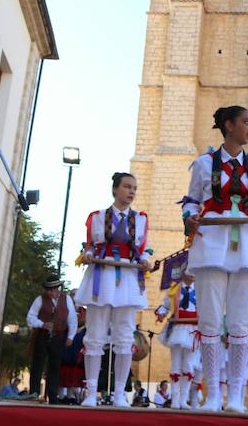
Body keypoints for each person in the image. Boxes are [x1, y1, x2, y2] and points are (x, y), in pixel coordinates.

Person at [180, 106, 248, 412]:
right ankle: (212, 394)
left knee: (240, 322)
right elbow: (192, 201)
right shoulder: (204, 163)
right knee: (209, 320)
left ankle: (235, 394)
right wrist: (190, 218)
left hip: (247, 245)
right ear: (229, 125)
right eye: (246, 123)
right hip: (212, 244)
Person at [74, 172, 153, 407]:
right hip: (102, 276)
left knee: (125, 335)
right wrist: (87, 256)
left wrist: (148, 259)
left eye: (134, 188)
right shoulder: (97, 217)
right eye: (127, 186)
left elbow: (145, 248)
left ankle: (120, 393)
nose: (131, 192)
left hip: (128, 278)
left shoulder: (140, 219)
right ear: (115, 189)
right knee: (95, 335)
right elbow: (89, 246)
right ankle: (91, 393)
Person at [26, 274, 77, 404]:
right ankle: (34, 393)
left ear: (57, 289)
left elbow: (72, 320)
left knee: (55, 366)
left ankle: (53, 396)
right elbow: (30, 317)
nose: (49, 292)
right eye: (48, 290)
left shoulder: (67, 300)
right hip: (42, 335)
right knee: (38, 364)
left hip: (59, 337)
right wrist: (42, 324)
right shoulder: (39, 299)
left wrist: (70, 336)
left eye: (52, 289)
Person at [155, 264, 200, 409]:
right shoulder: (173, 288)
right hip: (177, 327)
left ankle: (183, 399)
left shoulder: (201, 289)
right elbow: (166, 306)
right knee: (175, 363)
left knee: (188, 364)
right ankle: (174, 399)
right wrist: (161, 314)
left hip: (193, 328)